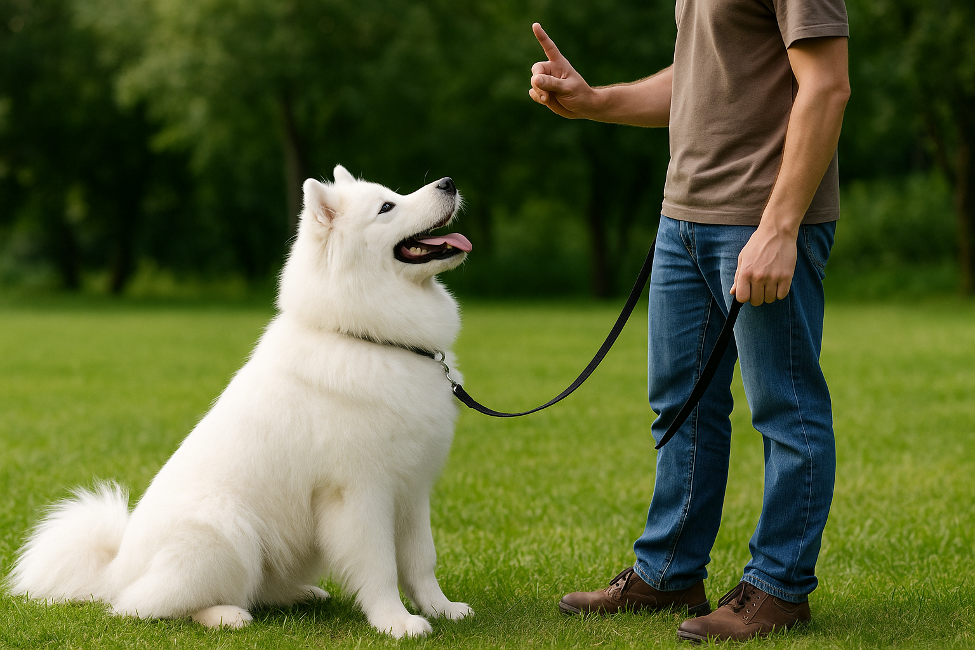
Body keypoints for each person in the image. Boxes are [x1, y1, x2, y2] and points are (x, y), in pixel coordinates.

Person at [528, 0, 850, 643]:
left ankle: (780, 588)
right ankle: (670, 571)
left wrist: (780, 227)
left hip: (759, 222)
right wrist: (597, 102)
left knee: (786, 411)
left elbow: (827, 84)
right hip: (684, 219)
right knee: (680, 406)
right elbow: (699, 78)